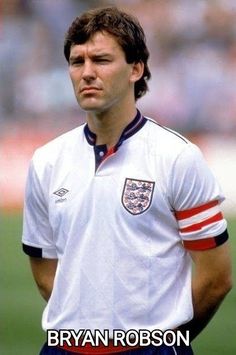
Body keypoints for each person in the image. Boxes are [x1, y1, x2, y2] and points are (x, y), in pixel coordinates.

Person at [22, 6, 232, 355]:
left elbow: (217, 278)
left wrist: (158, 340)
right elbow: (45, 272)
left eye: (101, 60)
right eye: (77, 62)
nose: (87, 73)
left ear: (136, 69)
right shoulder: (46, 161)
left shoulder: (176, 157)